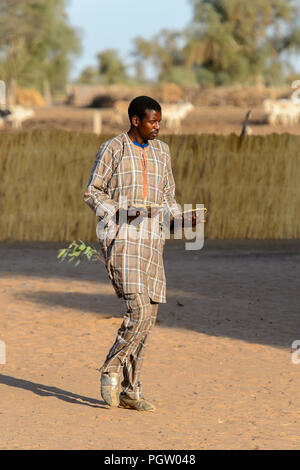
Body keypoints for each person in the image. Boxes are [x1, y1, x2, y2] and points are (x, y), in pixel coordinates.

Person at [84, 96, 198, 412]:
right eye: (152, 121)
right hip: (121, 240)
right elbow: (92, 193)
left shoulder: (163, 152)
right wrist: (121, 213)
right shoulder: (113, 148)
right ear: (136, 120)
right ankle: (110, 367)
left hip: (153, 242)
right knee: (139, 310)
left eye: (159, 121)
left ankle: (131, 392)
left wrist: (180, 219)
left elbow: (167, 198)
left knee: (150, 316)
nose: (158, 126)